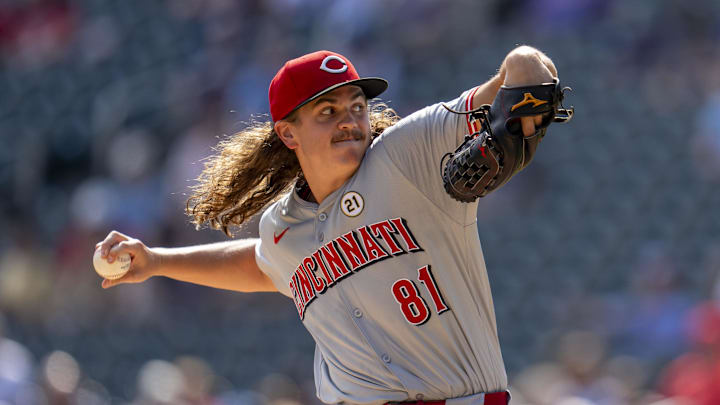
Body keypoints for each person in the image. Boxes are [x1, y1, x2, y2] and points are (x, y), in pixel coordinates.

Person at [96, 47, 561, 405]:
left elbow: (523, 66)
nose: (350, 122)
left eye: (357, 106)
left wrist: (520, 111)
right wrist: (156, 261)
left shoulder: (407, 153)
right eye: (327, 112)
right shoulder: (282, 226)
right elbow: (263, 265)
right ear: (287, 132)